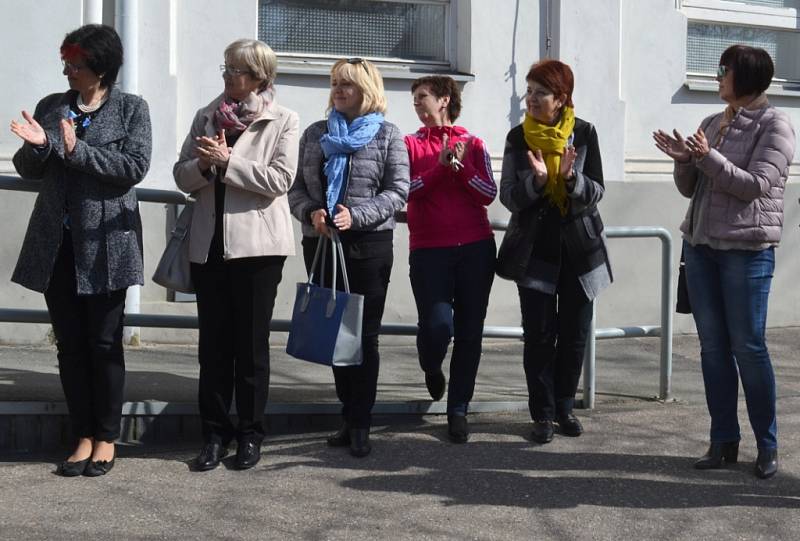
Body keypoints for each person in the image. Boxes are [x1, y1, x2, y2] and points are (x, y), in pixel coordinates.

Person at [9, 24, 151, 477]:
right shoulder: (54, 106)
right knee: (69, 344)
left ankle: (108, 437)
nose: (68, 70)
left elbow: (134, 167)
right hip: (58, 241)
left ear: (100, 66)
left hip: (107, 241)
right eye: (66, 62)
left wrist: (76, 151)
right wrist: (37, 146)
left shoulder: (131, 109)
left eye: (76, 64)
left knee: (105, 342)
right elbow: (29, 169)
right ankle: (83, 434)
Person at [653, 45, 794, 479]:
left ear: (745, 77)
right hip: (701, 248)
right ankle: (722, 440)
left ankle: (767, 446)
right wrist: (685, 161)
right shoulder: (712, 123)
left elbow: (755, 186)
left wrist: (707, 158)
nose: (717, 77)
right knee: (712, 349)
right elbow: (691, 187)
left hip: (746, 254)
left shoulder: (776, 126)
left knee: (748, 349)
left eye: (723, 70)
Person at [173, 39, 299, 471]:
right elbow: (180, 174)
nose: (228, 77)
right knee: (213, 347)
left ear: (259, 77)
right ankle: (213, 436)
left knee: (250, 348)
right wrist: (205, 167)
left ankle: (250, 433)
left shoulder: (283, 119)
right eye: (225, 68)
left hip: (258, 249)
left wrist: (228, 162)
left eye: (236, 70)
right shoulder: (207, 116)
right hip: (208, 247)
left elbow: (280, 179)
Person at [289, 57, 409, 458]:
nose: (339, 90)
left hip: (369, 246)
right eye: (336, 83)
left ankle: (361, 423)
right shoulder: (315, 133)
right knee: (334, 331)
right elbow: (296, 190)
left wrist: (356, 214)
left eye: (348, 84)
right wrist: (311, 212)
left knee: (364, 336)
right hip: (322, 242)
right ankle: (347, 415)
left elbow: (397, 193)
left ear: (368, 90)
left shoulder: (388, 135)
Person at [499, 59, 611, 444]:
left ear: (561, 99)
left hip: (581, 249)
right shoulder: (518, 138)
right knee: (539, 335)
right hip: (535, 249)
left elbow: (596, 191)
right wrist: (537, 181)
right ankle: (543, 414)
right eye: (528, 91)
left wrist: (569, 178)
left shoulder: (584, 133)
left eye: (539, 93)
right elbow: (509, 197)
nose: (530, 99)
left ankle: (565, 405)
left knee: (575, 333)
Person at [404, 75, 497, 443]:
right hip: (428, 250)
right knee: (438, 324)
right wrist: (441, 168)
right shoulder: (409, 144)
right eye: (414, 99)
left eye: (422, 97)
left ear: (444, 100)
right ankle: (430, 362)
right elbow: (404, 192)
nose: (417, 104)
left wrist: (462, 169)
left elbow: (488, 193)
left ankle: (458, 408)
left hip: (475, 248)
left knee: (470, 332)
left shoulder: (473, 143)